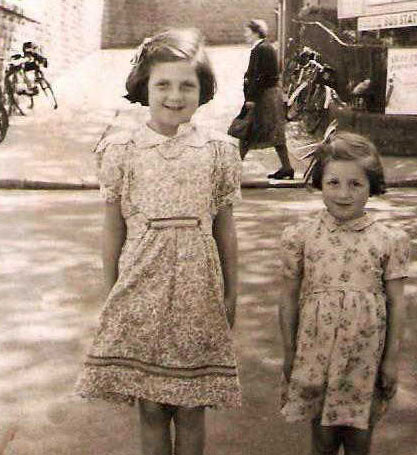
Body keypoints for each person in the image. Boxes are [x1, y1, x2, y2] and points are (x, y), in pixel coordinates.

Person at [76, 28, 242, 455]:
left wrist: (231, 292)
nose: (175, 95)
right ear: (144, 87)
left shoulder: (219, 150)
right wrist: (110, 290)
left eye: (187, 85)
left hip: (197, 292)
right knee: (150, 407)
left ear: (203, 90)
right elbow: (113, 227)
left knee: (191, 406)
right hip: (140, 288)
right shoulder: (122, 149)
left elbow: (225, 228)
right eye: (163, 84)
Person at [279, 132, 410, 454]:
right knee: (322, 439)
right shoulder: (301, 236)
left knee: (358, 439)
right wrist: (289, 352)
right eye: (333, 183)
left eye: (356, 184)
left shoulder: (389, 240)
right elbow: (288, 298)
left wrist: (391, 360)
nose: (343, 194)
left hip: (364, 359)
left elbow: (396, 303)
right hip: (316, 354)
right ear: (320, 183)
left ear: (371, 185)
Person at [240, 19, 295, 180]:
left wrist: (251, 97)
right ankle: (287, 168)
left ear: (256, 32)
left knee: (247, 131)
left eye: (247, 32)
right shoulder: (266, 47)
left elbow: (259, 76)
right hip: (270, 94)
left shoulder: (261, 49)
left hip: (264, 96)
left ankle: (233, 169)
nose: (245, 35)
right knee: (274, 132)